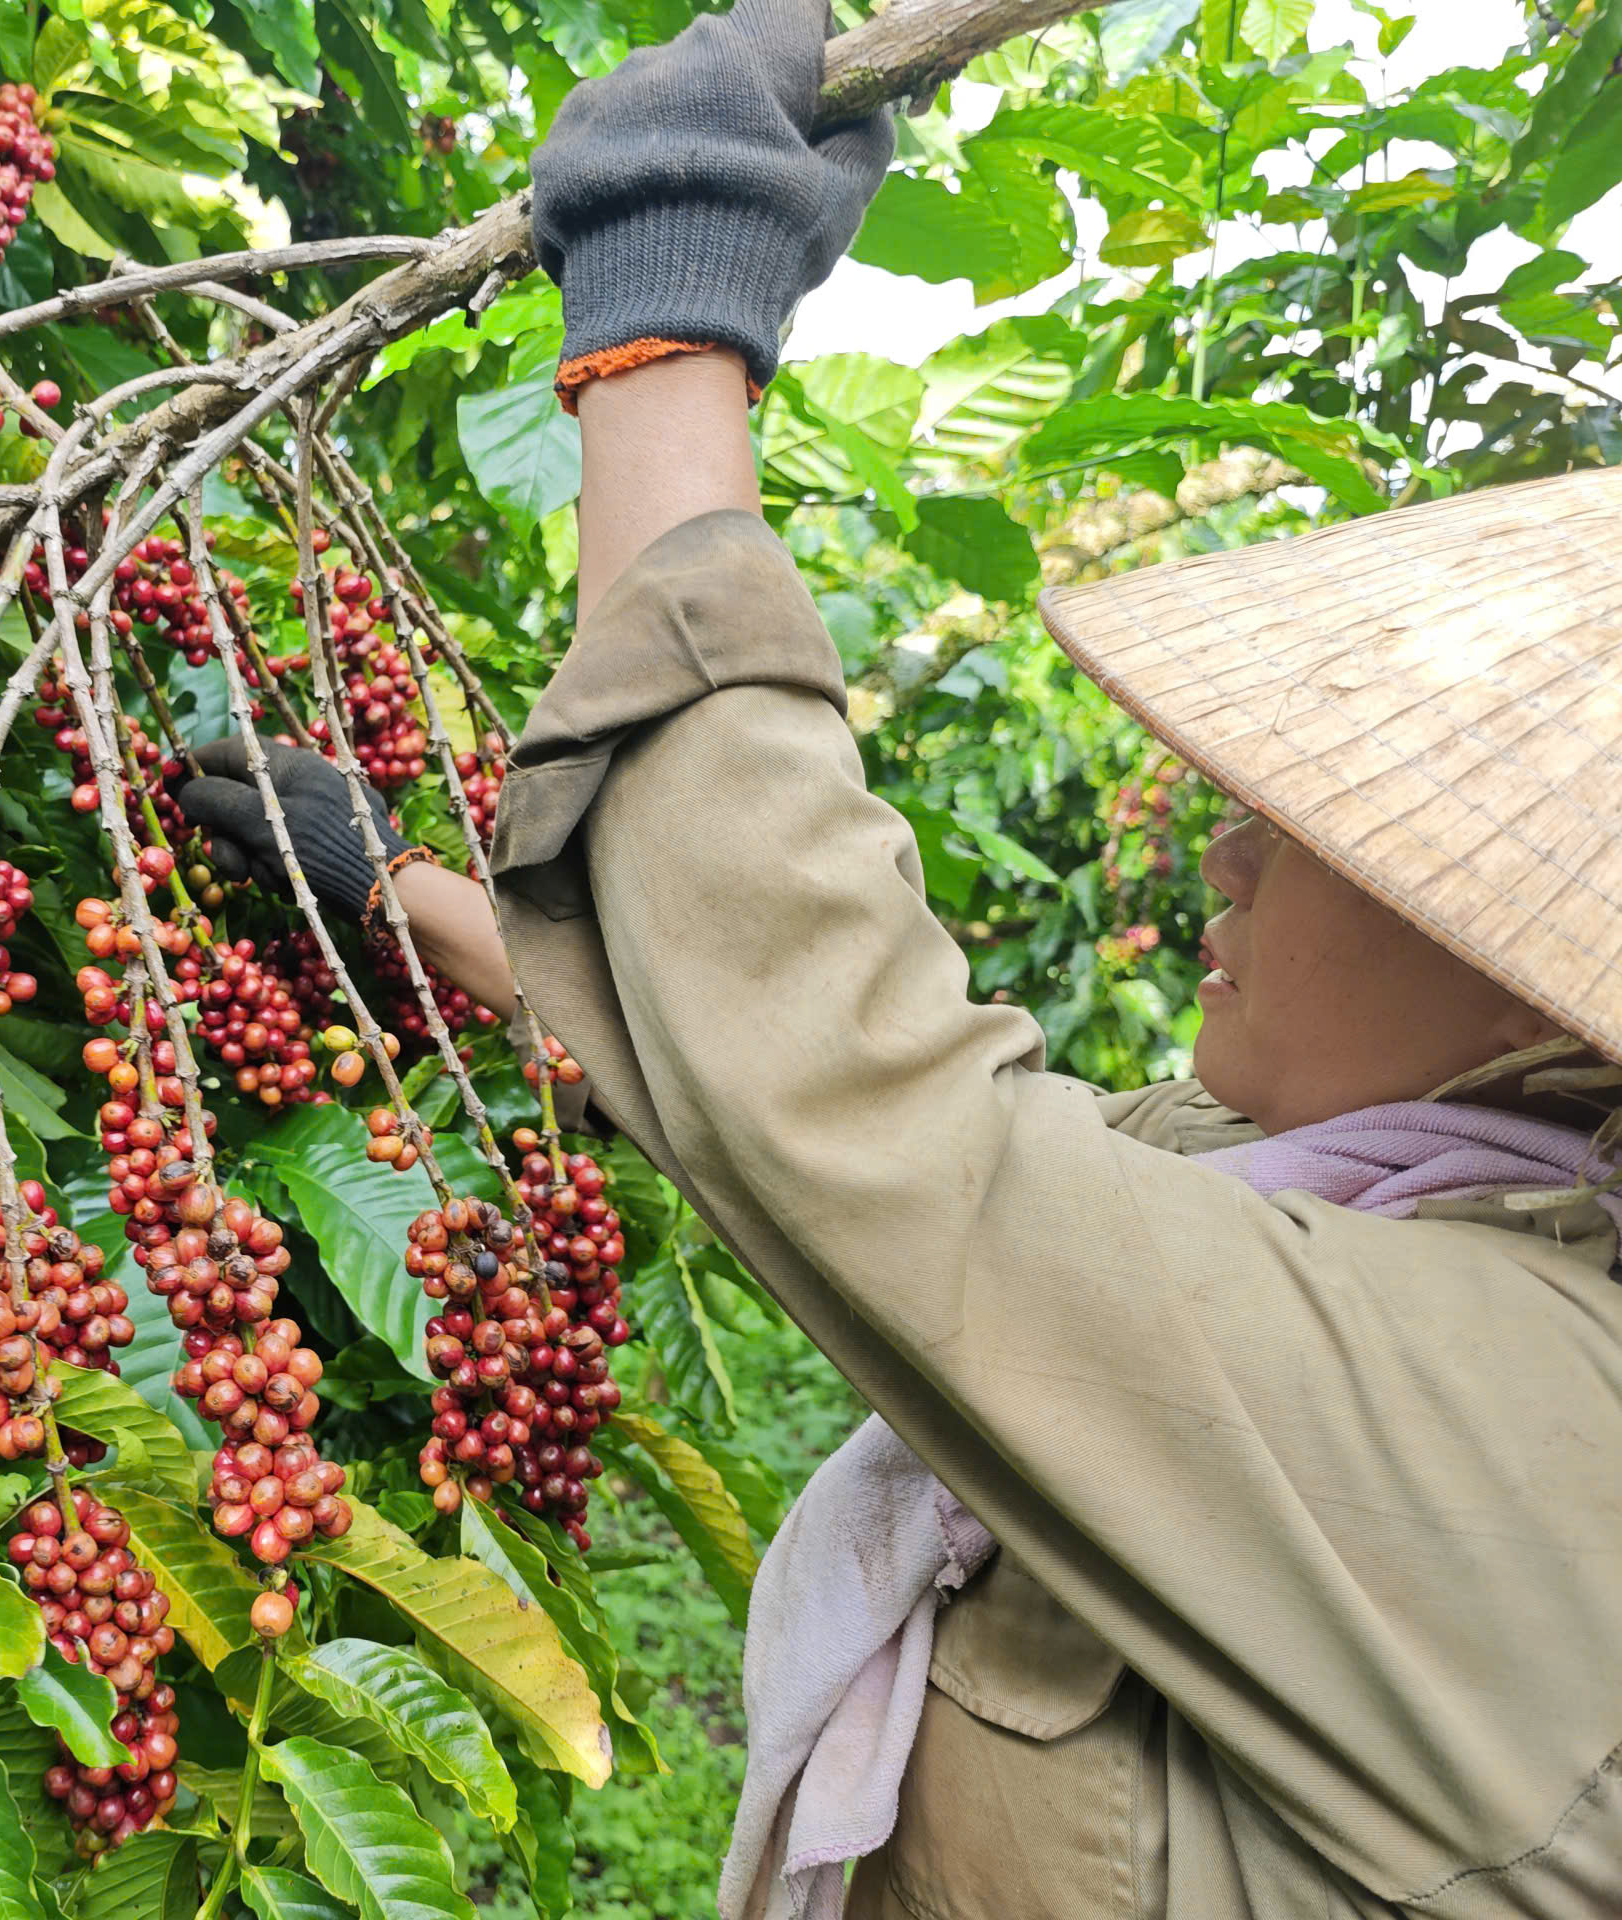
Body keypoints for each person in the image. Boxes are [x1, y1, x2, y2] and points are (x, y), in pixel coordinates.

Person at [174, 2, 1622, 1914]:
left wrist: (662, 327)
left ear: (1533, 969)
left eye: (1319, 824)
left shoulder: (1536, 1424)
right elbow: (882, 1134)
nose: (1232, 845)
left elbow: (881, 1136)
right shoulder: (1399, 1210)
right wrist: (397, 893)